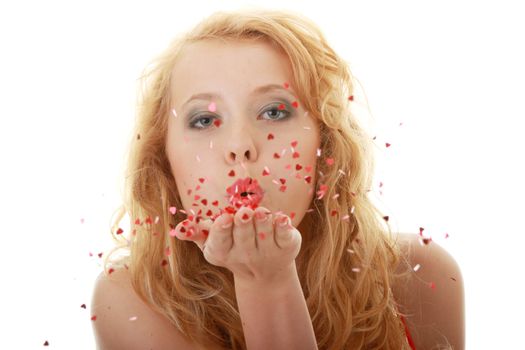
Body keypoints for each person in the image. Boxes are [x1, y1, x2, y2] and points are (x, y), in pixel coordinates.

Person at [90, 8, 464, 350]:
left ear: (326, 139)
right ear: (163, 158)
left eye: (273, 112)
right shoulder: (130, 295)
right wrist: (264, 280)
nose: (240, 147)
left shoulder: (417, 276)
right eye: (204, 120)